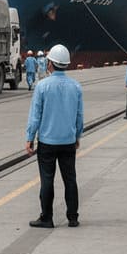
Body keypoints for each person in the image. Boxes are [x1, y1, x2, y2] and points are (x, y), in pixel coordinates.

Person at [25, 43, 84, 229]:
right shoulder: (76, 86)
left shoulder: (42, 86)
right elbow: (79, 116)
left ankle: (47, 218)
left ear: (50, 64)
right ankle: (73, 218)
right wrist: (77, 137)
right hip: (68, 141)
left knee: (47, 180)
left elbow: (35, 115)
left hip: (47, 142)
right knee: (70, 179)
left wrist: (29, 138)